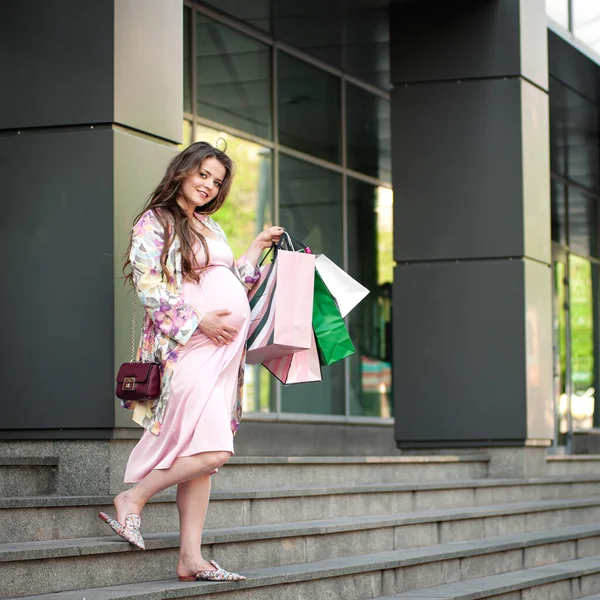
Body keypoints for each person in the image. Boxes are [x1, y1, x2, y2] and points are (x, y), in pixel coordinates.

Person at [99, 141, 283, 582]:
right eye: (203, 174)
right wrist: (199, 320)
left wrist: (256, 246)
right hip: (188, 351)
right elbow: (149, 287)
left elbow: (231, 282)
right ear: (182, 171)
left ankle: (190, 558)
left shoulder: (211, 226)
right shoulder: (155, 221)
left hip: (223, 356)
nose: (208, 185)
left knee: (204, 456)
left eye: (217, 181)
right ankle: (133, 499)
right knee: (214, 449)